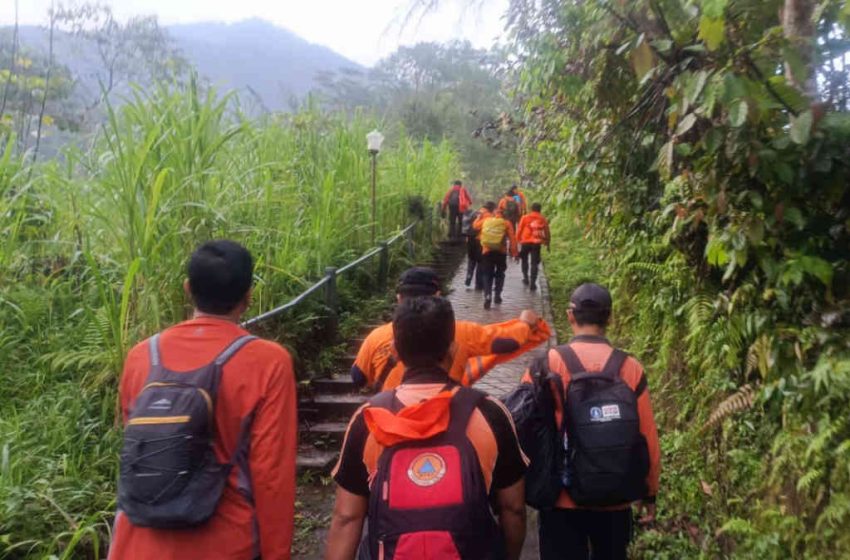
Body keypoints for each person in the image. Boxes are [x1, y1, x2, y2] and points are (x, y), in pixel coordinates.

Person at [108, 240, 297, 560]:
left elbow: (139, 454)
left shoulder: (141, 357)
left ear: (187, 288)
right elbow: (271, 477)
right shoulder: (268, 362)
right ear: (248, 296)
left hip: (137, 544)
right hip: (226, 545)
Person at [325, 296, 528, 560]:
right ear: (453, 349)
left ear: (396, 350)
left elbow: (347, 517)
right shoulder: (489, 413)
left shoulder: (368, 419)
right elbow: (513, 508)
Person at [530, 283, 661, 560]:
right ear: (610, 318)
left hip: (560, 499)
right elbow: (646, 436)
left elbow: (525, 425)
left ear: (570, 316)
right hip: (616, 497)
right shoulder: (631, 368)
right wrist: (649, 492)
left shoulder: (548, 363)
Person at [351, 267, 550, 391]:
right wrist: (526, 324)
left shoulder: (376, 337)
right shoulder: (461, 332)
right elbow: (507, 342)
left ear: (399, 298)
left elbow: (358, 378)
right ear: (437, 295)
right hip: (447, 420)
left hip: (390, 423)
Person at [474, 208, 519, 309]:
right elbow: (512, 238)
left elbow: (475, 226)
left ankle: (487, 296)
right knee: (500, 274)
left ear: (494, 214)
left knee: (486, 274)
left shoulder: (486, 220)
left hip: (487, 251)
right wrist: (514, 253)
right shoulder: (506, 223)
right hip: (500, 252)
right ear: (503, 215)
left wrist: (478, 218)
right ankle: (497, 295)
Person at [516, 202, 551, 291]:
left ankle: (525, 278)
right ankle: (533, 283)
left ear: (531, 209)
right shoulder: (542, 218)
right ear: (540, 209)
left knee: (524, 260)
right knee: (534, 263)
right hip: (536, 243)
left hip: (525, 242)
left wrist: (518, 240)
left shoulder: (525, 217)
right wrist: (547, 242)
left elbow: (520, 229)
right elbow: (547, 231)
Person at [463, 201, 496, 289]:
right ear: (492, 209)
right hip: (480, 241)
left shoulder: (476, 212)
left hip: (470, 239)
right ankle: (478, 284)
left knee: (471, 259)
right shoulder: (489, 217)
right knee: (481, 262)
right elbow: (477, 227)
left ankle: (469, 276)